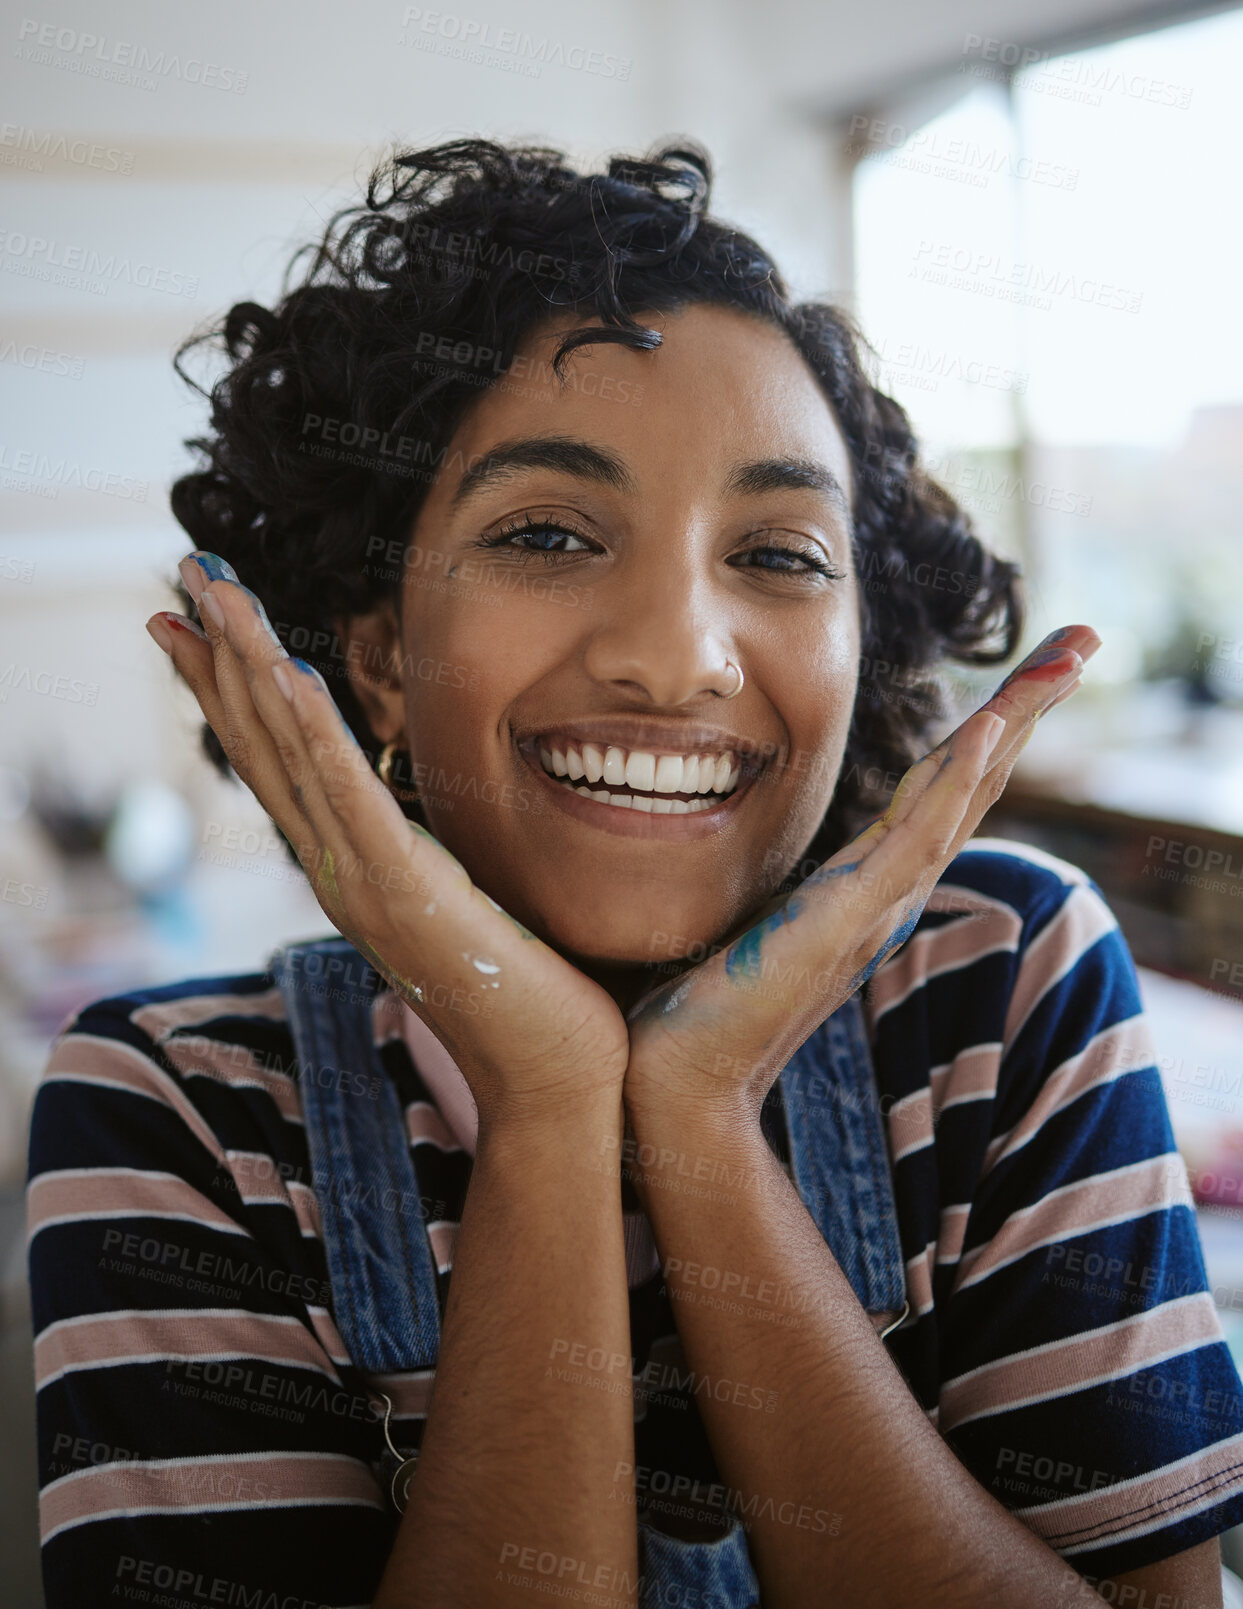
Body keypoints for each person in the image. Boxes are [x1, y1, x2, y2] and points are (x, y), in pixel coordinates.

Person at [26, 138, 1243, 1609]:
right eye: (546, 532)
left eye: (782, 554)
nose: (677, 656)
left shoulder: (999, 974)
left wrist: (701, 1111)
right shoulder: (172, 1108)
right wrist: (547, 1098)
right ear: (379, 656)